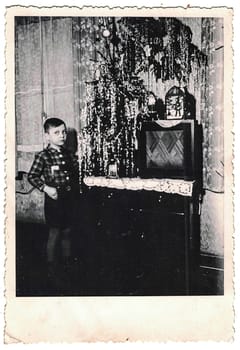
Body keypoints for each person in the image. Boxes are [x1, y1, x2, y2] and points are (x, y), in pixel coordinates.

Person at [28, 117, 79, 280]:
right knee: (55, 232)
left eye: (63, 132)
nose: (62, 135)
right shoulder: (43, 156)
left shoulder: (69, 154)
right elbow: (32, 176)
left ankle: (67, 262)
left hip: (69, 199)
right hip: (54, 200)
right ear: (47, 136)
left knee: (68, 231)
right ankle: (51, 266)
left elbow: (75, 174)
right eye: (56, 132)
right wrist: (46, 188)